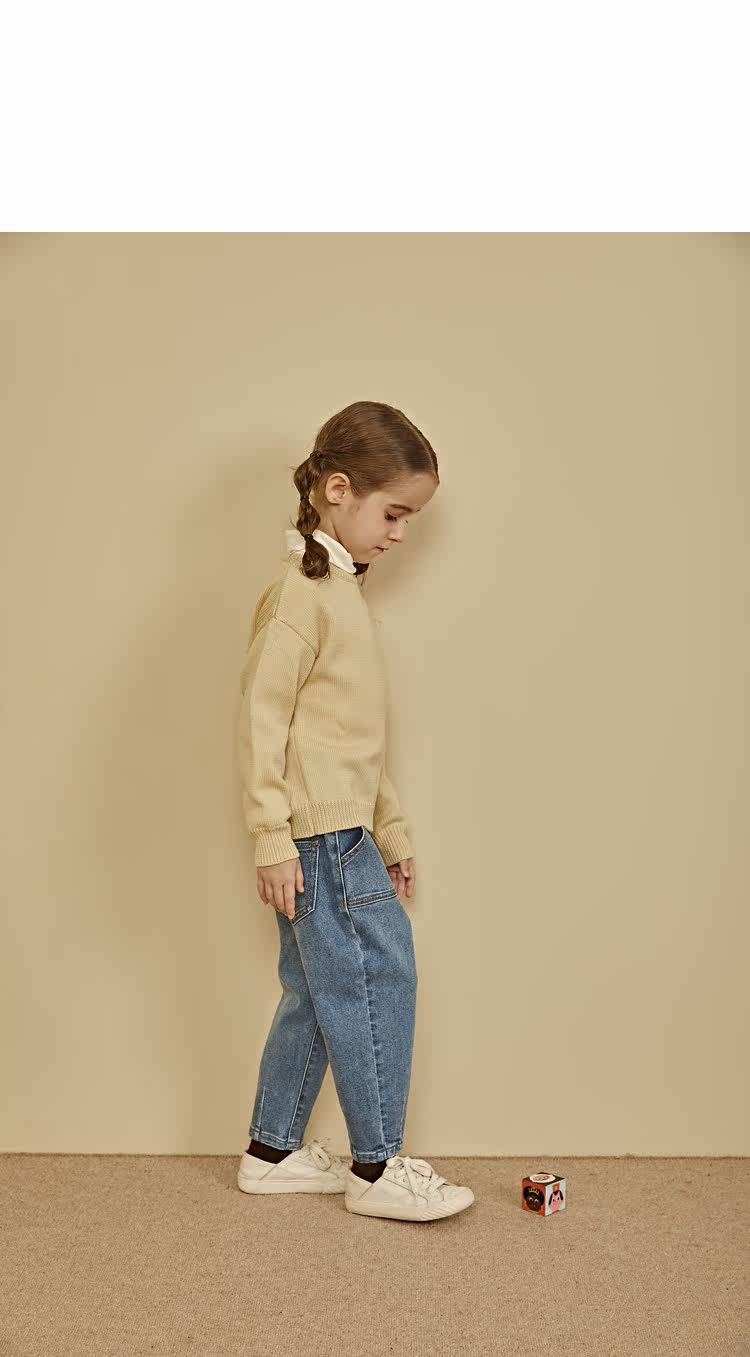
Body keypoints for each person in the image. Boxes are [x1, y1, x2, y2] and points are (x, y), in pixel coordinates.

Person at [235, 400, 475, 1222]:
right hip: (321, 838)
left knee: (316, 988)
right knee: (377, 978)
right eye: (393, 513)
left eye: (411, 518)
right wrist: (271, 835)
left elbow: (354, 738)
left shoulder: (338, 592)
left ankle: (271, 1151)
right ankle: (376, 1166)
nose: (401, 533)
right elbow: (261, 720)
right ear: (338, 490)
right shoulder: (301, 597)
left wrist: (391, 826)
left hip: (342, 830)